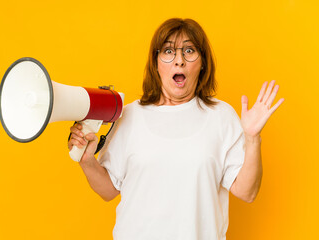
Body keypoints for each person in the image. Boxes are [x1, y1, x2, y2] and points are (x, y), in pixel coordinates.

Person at [68, 18, 284, 240]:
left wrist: (252, 138)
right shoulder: (130, 116)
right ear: (156, 63)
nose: (179, 60)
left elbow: (247, 192)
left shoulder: (220, 117)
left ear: (202, 64)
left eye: (189, 51)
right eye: (169, 51)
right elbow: (109, 190)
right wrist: (87, 160)